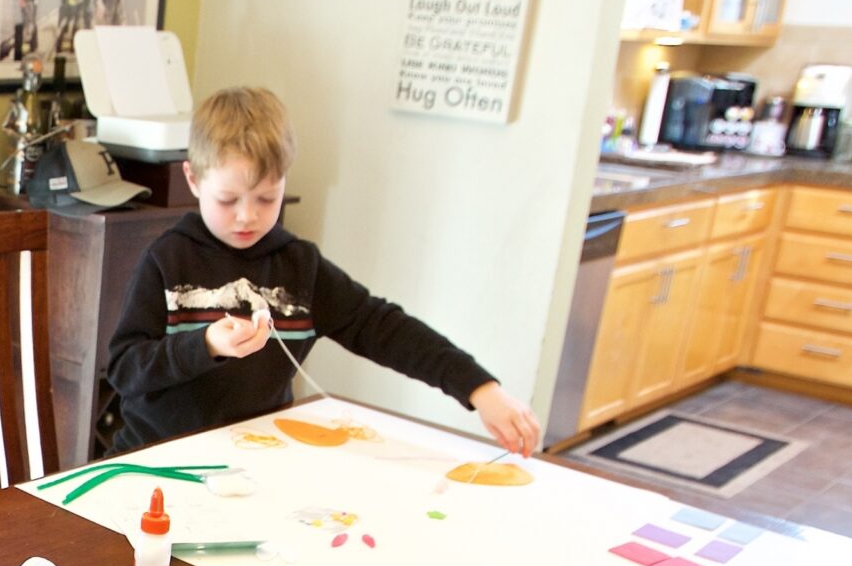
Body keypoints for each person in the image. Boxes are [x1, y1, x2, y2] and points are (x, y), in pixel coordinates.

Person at [102, 85, 542, 455]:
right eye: (227, 199)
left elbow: (386, 329)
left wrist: (480, 389)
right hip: (156, 461)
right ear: (193, 180)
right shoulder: (166, 259)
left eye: (265, 198)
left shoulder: (300, 267)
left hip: (251, 463)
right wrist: (206, 345)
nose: (246, 217)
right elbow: (124, 370)